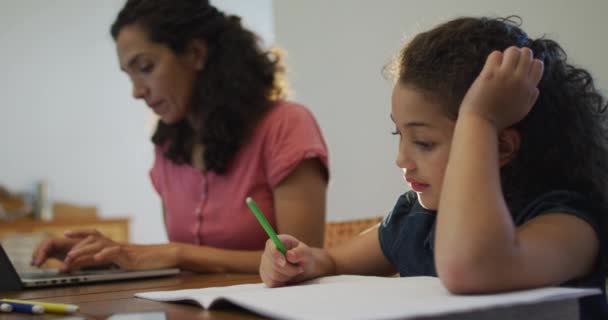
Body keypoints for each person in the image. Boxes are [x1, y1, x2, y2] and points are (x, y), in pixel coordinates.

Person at [259, 16, 608, 319]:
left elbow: (471, 268)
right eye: (400, 134)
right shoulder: (413, 218)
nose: (401, 159)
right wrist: (301, 262)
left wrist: (480, 117)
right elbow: (333, 262)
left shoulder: (569, 223)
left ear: (500, 146)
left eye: (424, 142)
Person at [31, 0, 329, 274]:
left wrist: (175, 254)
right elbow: (188, 269)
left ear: (196, 53)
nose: (136, 91)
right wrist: (106, 256)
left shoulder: (285, 125)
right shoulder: (168, 147)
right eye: (129, 75)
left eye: (145, 68)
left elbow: (301, 259)